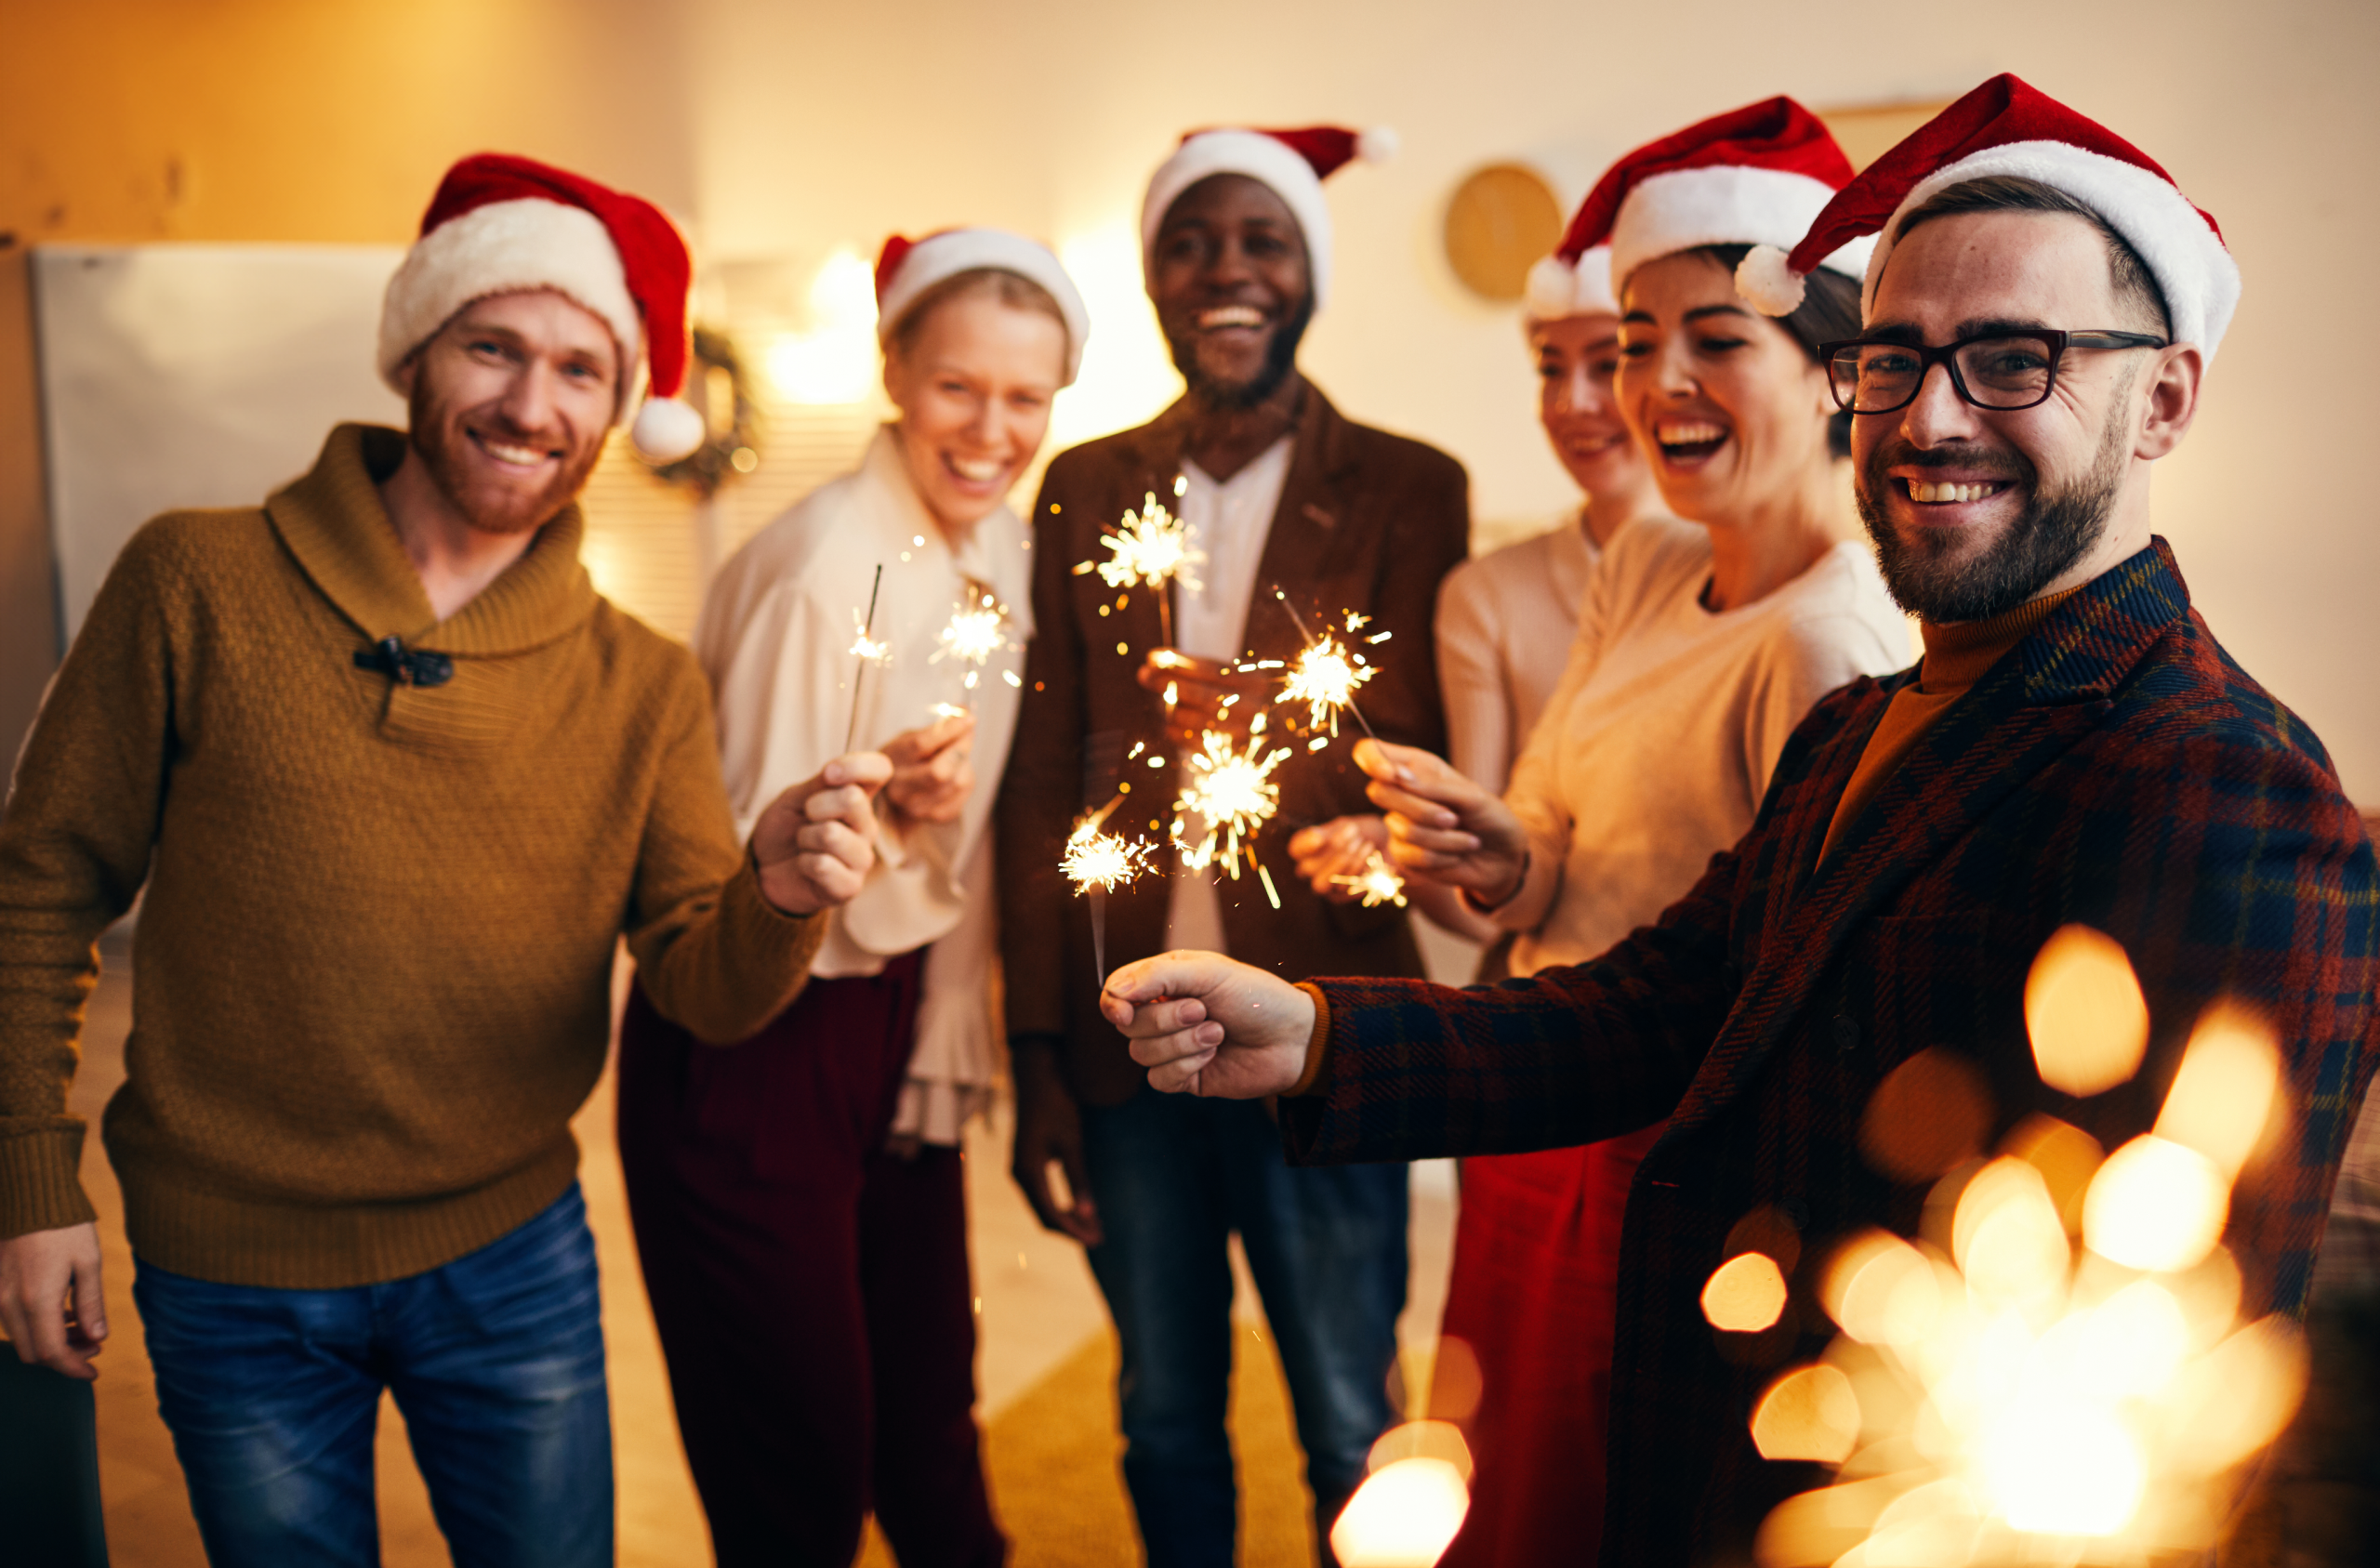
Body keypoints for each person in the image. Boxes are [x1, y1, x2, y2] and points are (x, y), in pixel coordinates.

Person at [1101, 76, 2380, 1563]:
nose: (1933, 415)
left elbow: (2164, 1395)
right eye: (1892, 360)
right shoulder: (1858, 728)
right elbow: (1655, 1009)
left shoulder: (2221, 781)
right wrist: (1318, 1032)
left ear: (2164, 394)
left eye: (2015, 359)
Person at [0, 154, 890, 1566]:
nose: (533, 406)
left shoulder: (641, 683)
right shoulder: (195, 580)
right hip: (229, 1263)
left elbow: (704, 988)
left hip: (511, 1254)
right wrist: (28, 1185)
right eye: (495, 347)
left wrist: (778, 892)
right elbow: (36, 887)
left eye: (583, 371)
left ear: (619, 407)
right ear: (419, 348)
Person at [1381, 101, 1908, 1568]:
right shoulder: (1651, 569)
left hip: (1655, 1159)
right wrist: (1498, 850)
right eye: (1633, 335)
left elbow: (1784, 996)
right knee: (1490, 1477)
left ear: (1836, 376)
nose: (1649, 383)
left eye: (1718, 338)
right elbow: (1551, 824)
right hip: (1533, 1111)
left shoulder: (1831, 646)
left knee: (1592, 1501)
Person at [993, 124, 1470, 1565]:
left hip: (1326, 1019)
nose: (1228, 271)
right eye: (1192, 242)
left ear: (1308, 272)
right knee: (1162, 1409)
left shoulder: (1407, 484)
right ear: (1151, 278)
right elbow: (1038, 783)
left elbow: (1421, 746)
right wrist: (1035, 1052)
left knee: (1347, 1412)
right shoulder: (1083, 485)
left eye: (1262, 239)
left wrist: (1270, 731)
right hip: (1129, 1036)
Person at [616, 228, 1088, 1568]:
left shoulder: (997, 544)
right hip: (755, 1041)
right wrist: (876, 824)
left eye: (1026, 397)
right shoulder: (829, 576)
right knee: (799, 1469)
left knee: (929, 1407)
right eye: (957, 387)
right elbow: (742, 896)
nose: (993, 427)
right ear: (892, 370)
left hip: (894, 1006)